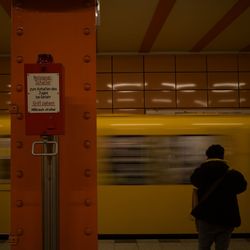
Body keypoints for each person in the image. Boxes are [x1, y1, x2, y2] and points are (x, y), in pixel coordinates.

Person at [190, 144, 247, 250]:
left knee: (204, 246)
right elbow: (242, 188)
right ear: (222, 156)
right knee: (222, 247)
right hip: (227, 217)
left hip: (206, 217)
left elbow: (194, 183)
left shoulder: (199, 172)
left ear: (207, 156)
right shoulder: (233, 174)